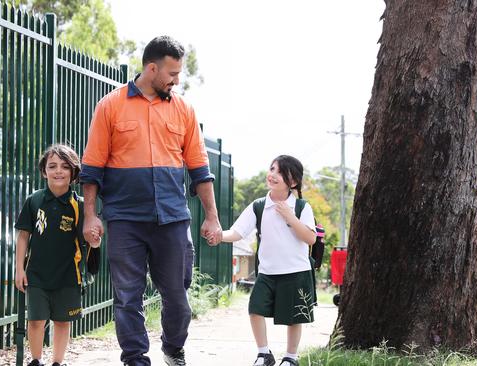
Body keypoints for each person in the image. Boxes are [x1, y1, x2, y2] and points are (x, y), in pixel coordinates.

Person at [80, 35, 222, 366]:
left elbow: (200, 169)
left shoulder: (184, 110)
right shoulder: (110, 105)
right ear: (152, 68)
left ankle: (173, 347)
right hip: (125, 218)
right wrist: (90, 215)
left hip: (172, 218)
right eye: (172, 74)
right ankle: (135, 359)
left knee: (178, 298)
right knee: (128, 297)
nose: (177, 80)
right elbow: (92, 168)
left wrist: (212, 216)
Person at [217, 155, 317, 366]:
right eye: (272, 169)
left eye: (280, 172)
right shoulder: (258, 206)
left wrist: (290, 217)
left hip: (296, 271)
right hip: (267, 272)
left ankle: (291, 357)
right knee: (255, 309)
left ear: (293, 182)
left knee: (294, 317)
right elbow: (237, 231)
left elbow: (310, 238)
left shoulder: (301, 207)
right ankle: (264, 354)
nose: (272, 175)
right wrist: (219, 236)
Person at [15, 144, 100, 366]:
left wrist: (95, 240)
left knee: (63, 322)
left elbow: (88, 241)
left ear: (73, 173)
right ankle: (35, 361)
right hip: (37, 274)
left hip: (68, 275)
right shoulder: (34, 201)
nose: (58, 171)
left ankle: (57, 362)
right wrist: (19, 269)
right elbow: (23, 236)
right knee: (35, 321)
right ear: (44, 171)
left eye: (64, 166)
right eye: (52, 166)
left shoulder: (79, 206)